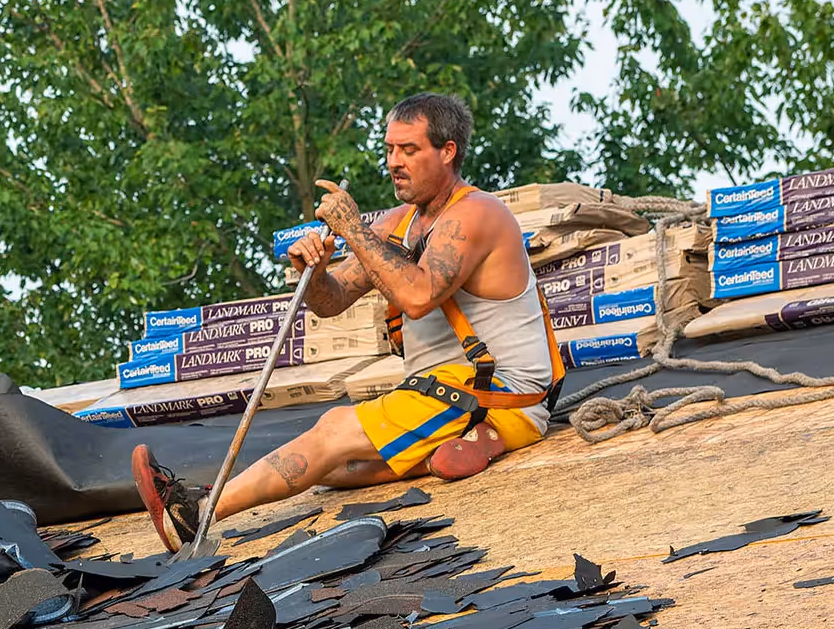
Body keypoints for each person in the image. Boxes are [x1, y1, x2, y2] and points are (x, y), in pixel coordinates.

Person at [131, 93, 565, 550]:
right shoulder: (399, 223)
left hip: (501, 394)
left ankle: (195, 516)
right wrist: (314, 271)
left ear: (449, 150)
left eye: (409, 150)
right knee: (335, 469)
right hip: (449, 388)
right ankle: (455, 447)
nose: (394, 162)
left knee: (335, 429)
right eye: (390, 149)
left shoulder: (478, 214)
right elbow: (330, 301)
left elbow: (417, 297)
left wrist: (353, 229)